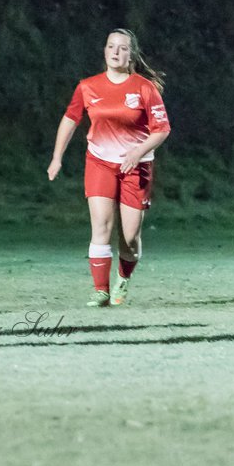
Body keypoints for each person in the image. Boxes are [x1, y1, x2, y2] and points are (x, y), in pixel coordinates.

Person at [47, 29, 170, 307]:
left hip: (136, 167)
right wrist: (57, 157)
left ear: (131, 55)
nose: (116, 52)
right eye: (111, 46)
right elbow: (70, 119)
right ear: (104, 51)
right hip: (100, 163)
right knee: (101, 226)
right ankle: (100, 290)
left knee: (130, 237)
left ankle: (123, 279)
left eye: (123, 48)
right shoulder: (87, 86)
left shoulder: (144, 88)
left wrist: (138, 152)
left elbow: (162, 129)